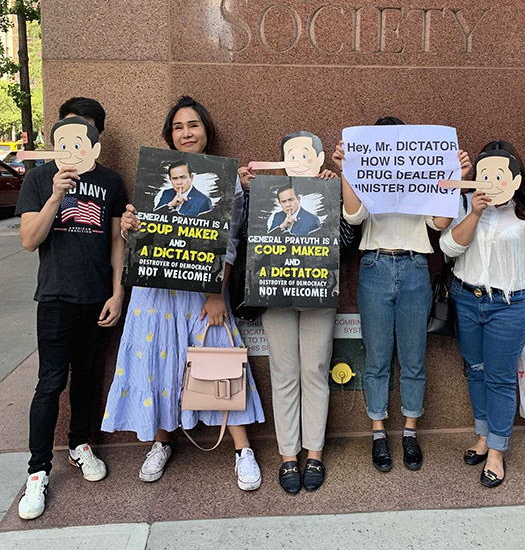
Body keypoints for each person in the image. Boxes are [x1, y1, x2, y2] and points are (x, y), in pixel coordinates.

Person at [102, 96, 264, 490]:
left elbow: (229, 244)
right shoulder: (154, 192)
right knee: (159, 361)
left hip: (202, 292)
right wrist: (129, 226)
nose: (186, 133)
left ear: (206, 132)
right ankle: (161, 442)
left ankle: (243, 450)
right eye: (177, 127)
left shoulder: (223, 190)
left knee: (218, 360)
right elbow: (140, 242)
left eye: (192, 125)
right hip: (154, 293)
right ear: (169, 137)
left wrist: (215, 293)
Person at [332, 117, 471, 474]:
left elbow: (438, 224)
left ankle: (410, 430)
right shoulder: (366, 171)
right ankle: (378, 431)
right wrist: (348, 169)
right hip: (375, 265)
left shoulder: (420, 175)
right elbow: (354, 213)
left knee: (413, 358)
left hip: (414, 268)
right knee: (377, 358)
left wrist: (452, 179)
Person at [16, 97, 127, 520]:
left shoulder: (112, 181)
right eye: (66, 132)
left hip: (97, 297)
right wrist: (54, 197)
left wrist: (117, 293)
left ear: (96, 139)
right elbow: (29, 239)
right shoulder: (41, 178)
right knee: (49, 384)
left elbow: (117, 240)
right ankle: (38, 470)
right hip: (55, 298)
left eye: (83, 133)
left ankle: (81, 445)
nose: (74, 141)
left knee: (87, 377)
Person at [439, 140, 525, 488]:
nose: (492, 181)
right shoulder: (465, 204)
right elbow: (448, 247)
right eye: (486, 173)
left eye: (500, 174)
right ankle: (482, 434)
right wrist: (474, 212)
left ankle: (498, 449)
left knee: (500, 377)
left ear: (514, 177)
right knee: (474, 370)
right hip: (467, 299)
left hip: (509, 304)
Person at [238, 131, 341, 494]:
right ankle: (288, 457)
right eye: (284, 202)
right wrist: (248, 192)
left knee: (314, 372)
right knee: (284, 374)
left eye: (292, 202)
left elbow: (346, 242)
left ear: (317, 157)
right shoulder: (270, 214)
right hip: (277, 299)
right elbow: (251, 242)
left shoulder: (323, 204)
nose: (288, 206)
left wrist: (335, 195)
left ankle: (314, 453)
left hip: (317, 296)